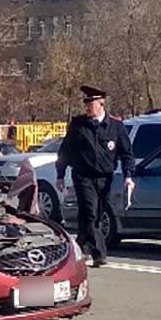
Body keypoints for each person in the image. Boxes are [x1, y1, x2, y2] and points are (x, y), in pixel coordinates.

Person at [55, 85, 135, 267]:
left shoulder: (115, 126)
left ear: (101, 104)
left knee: (95, 215)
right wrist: (60, 174)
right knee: (91, 213)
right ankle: (100, 253)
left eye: (90, 104)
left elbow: (126, 154)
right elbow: (66, 150)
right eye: (86, 104)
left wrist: (128, 176)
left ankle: (78, 247)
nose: (87, 108)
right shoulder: (78, 124)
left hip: (105, 177)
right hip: (83, 176)